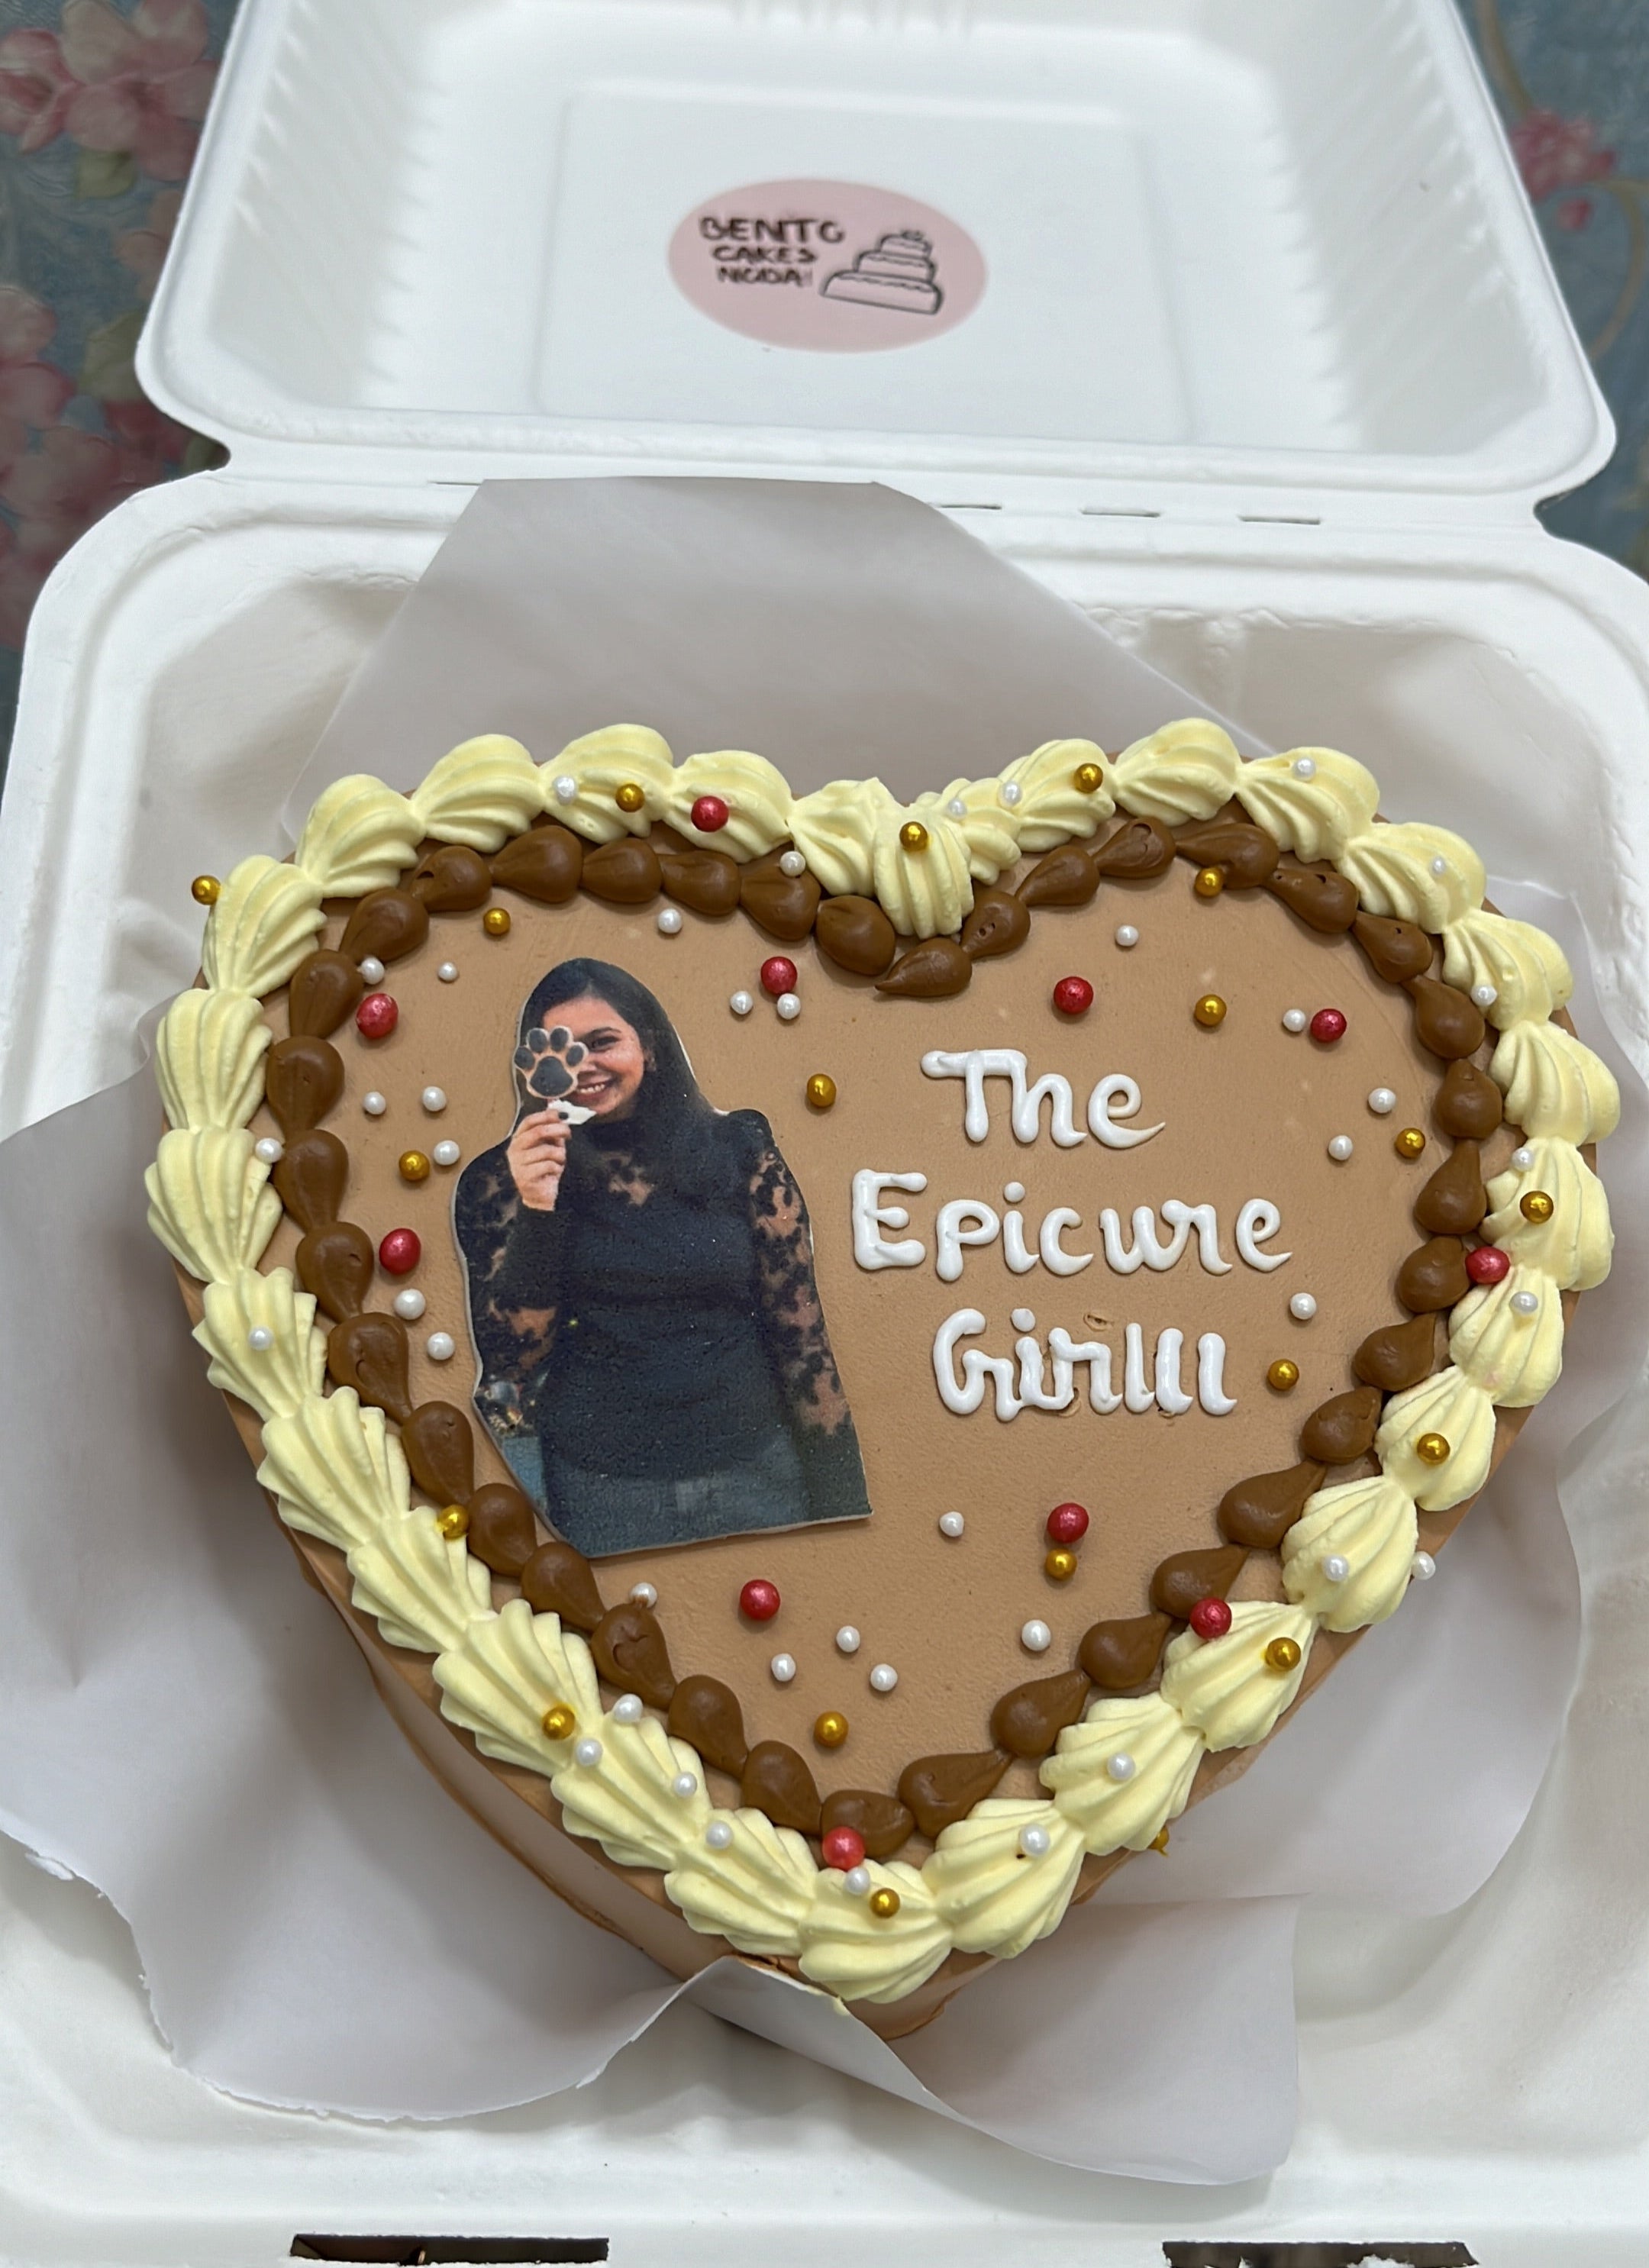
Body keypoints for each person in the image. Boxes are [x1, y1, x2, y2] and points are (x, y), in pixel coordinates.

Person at [453, 957, 872, 1557]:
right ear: (534, 1066)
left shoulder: (741, 1152)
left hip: (761, 1473)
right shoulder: (498, 1182)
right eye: (562, 1050)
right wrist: (539, 1207)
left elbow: (801, 1338)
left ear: (648, 1045)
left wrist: (845, 1503)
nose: (585, 1066)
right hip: (603, 1495)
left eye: (602, 1042)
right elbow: (512, 1362)